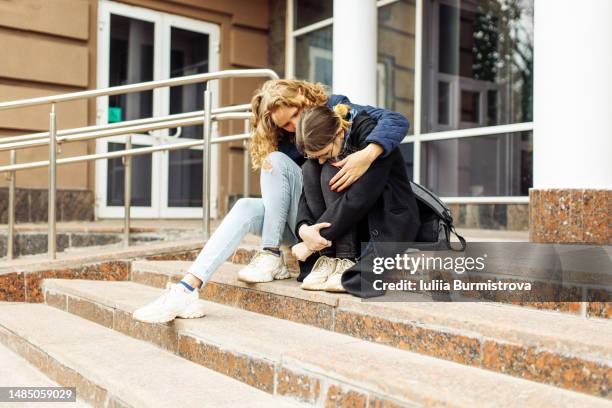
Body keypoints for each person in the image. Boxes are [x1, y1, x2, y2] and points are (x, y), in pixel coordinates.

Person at [132, 79, 410, 323]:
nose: (293, 127)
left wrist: (369, 153)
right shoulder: (287, 137)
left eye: (295, 116)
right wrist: (302, 230)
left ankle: (271, 251)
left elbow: (395, 120)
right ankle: (188, 288)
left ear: (304, 97)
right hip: (307, 218)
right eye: (284, 125)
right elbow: (295, 191)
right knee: (247, 203)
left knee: (290, 165)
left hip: (340, 216)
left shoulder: (334, 108)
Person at [291, 104, 421, 295]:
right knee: (310, 169)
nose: (320, 160)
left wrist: (315, 241)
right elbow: (306, 195)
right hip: (346, 221)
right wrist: (304, 229)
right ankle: (328, 258)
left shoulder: (370, 134)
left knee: (329, 169)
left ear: (338, 132)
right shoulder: (323, 148)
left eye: (323, 153)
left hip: (383, 214)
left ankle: (346, 258)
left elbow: (359, 198)